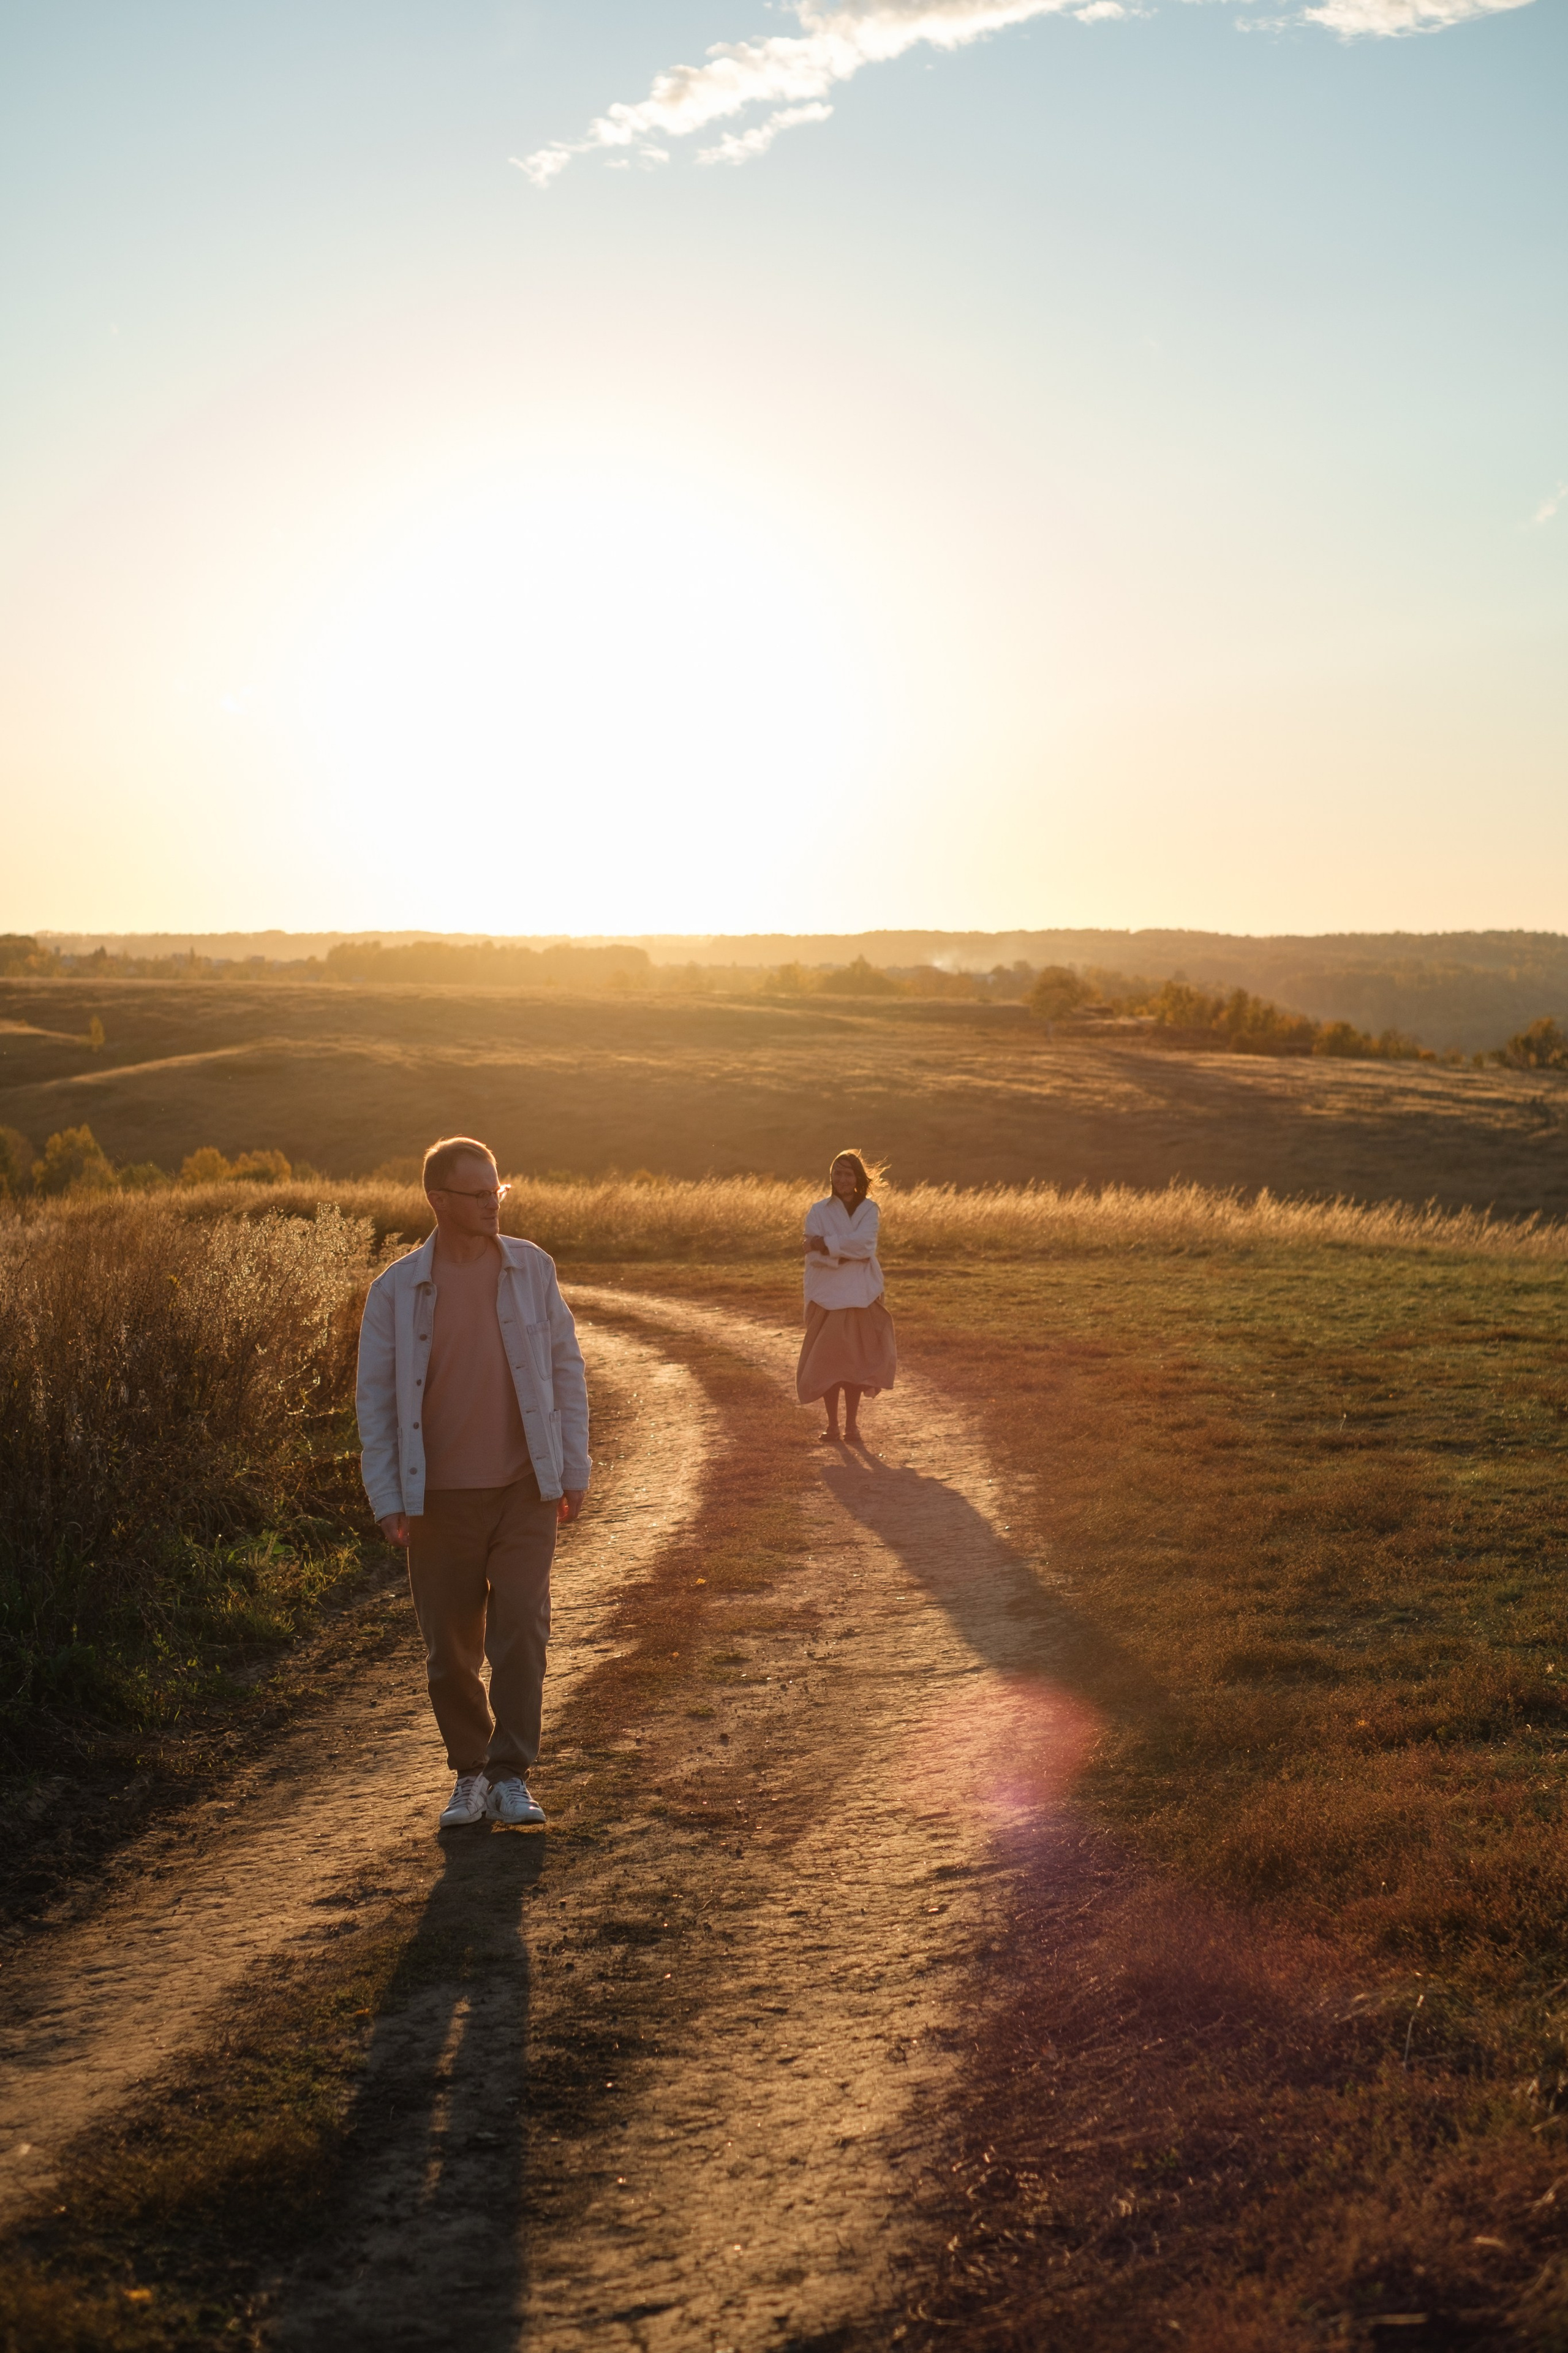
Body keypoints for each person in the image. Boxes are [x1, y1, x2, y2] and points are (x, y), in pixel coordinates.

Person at [356, 1135, 590, 1831]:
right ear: (438, 1200)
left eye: (499, 1191)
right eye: (479, 1193)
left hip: (525, 1486)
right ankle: (470, 1772)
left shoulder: (531, 1268)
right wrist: (388, 1496)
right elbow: (374, 1401)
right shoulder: (396, 1290)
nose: (493, 1203)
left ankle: (511, 1771)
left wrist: (572, 1468)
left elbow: (566, 1369)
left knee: (521, 1627)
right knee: (449, 1649)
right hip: (437, 1498)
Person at [796, 1149, 897, 1444]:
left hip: (863, 1294)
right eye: (837, 1174)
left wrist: (824, 1245)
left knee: (855, 1365)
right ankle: (832, 1426)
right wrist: (838, 1254)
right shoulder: (819, 1210)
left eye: (848, 1174)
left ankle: (852, 1426)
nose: (842, 1179)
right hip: (825, 1295)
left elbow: (865, 1247)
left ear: (858, 1179)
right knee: (828, 1364)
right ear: (831, 1178)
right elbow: (813, 1257)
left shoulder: (870, 1210)